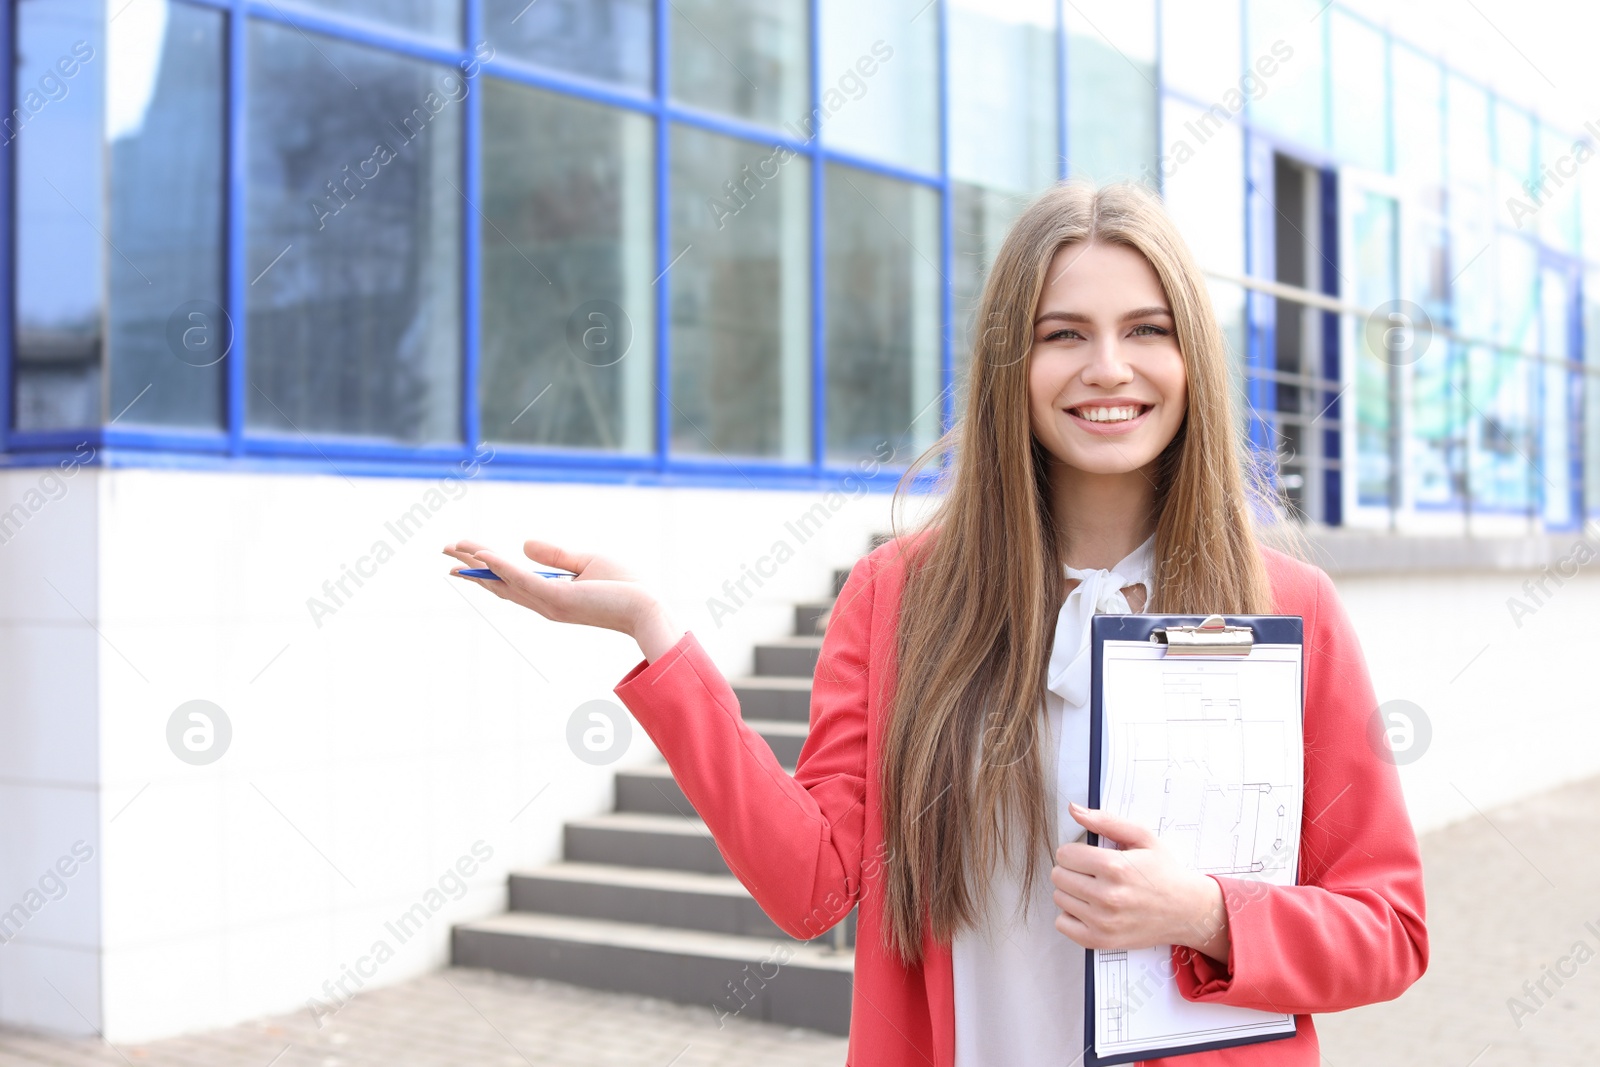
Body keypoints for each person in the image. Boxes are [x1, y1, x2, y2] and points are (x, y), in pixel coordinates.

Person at [444, 180, 1428, 1066]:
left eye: (1146, 329)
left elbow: (1388, 927)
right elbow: (811, 882)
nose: (1107, 367)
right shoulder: (900, 595)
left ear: (1192, 358)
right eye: (1062, 333)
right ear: (1012, 357)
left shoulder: (1288, 611)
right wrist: (658, 637)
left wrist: (1209, 912)